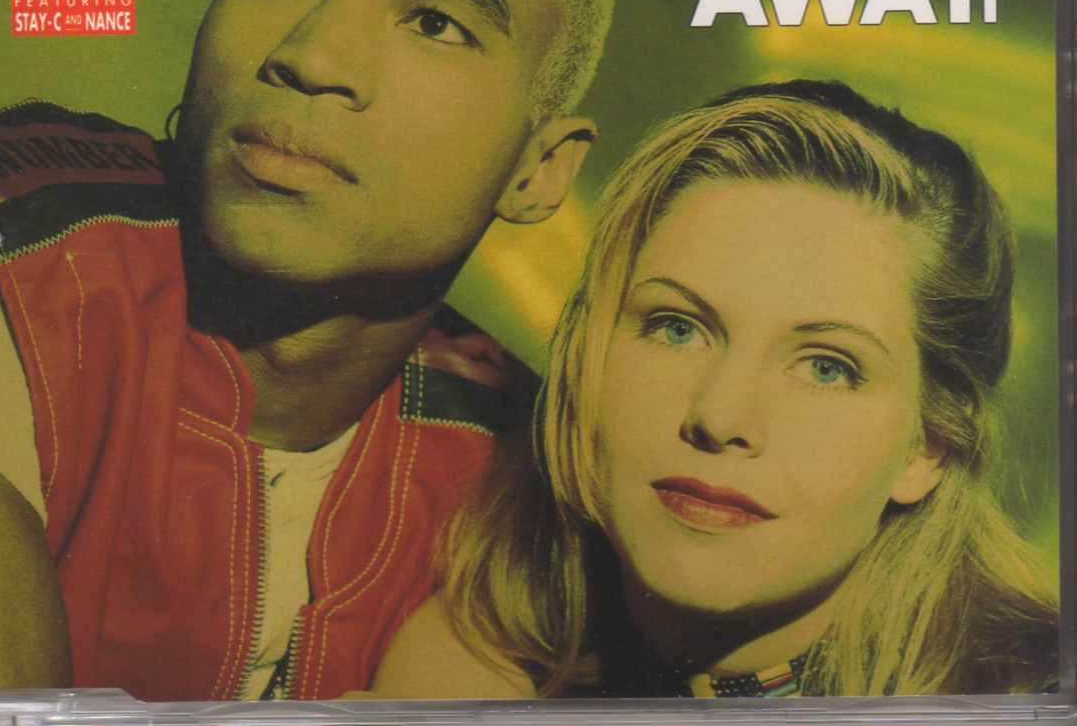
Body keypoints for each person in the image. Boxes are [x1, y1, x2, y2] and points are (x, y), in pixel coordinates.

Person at [0, 0, 616, 700]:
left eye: (434, 22)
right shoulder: (14, 243)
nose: (312, 56)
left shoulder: (530, 478)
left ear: (539, 170)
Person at [368, 79, 1059, 698]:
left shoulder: (1034, 694)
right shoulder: (486, 645)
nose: (719, 415)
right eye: (677, 328)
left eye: (826, 367)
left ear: (927, 447)